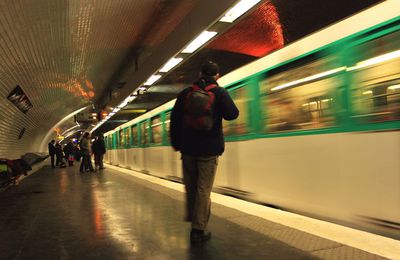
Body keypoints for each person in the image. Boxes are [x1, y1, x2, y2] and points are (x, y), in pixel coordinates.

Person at [170, 61, 239, 243]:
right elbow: (233, 114)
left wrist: (178, 144)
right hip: (209, 150)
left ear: (199, 73)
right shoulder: (219, 92)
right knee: (203, 189)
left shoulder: (185, 93)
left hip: (188, 149)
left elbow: (175, 120)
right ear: (217, 76)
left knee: (191, 187)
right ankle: (198, 230)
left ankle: (193, 220)